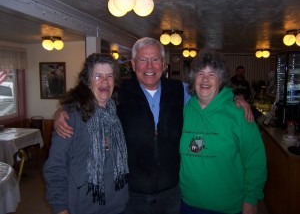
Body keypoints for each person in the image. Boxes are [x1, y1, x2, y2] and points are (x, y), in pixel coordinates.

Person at [53, 37, 253, 214]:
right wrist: (63, 111)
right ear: (133, 64)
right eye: (143, 59)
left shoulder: (181, 91)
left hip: (172, 195)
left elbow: (209, 88)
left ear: (164, 64)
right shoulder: (119, 92)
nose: (149, 66)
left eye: (155, 59)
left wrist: (235, 97)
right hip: (132, 196)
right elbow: (90, 98)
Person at [179, 50, 267, 214]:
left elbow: (255, 160)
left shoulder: (238, 113)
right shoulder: (185, 107)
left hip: (227, 206)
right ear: (193, 78)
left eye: (212, 74)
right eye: (200, 73)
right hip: (188, 203)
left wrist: (251, 199)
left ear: (221, 81)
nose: (205, 79)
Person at [43, 53, 129, 214]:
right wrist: (60, 208)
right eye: (98, 76)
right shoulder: (71, 117)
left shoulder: (118, 111)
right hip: (83, 206)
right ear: (87, 81)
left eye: (109, 76)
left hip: (118, 204)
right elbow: (55, 166)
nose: (105, 81)